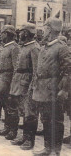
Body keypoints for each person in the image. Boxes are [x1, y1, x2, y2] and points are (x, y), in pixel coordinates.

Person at [32, 17, 71, 156]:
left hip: (54, 89)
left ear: (53, 30)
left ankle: (56, 150)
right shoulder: (44, 47)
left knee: (57, 121)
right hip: (42, 89)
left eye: (46, 28)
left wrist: (64, 89)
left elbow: (67, 72)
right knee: (46, 119)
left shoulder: (62, 47)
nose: (44, 31)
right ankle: (47, 148)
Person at [9, 23, 40, 150]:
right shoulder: (24, 47)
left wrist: (32, 87)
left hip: (28, 84)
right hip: (20, 82)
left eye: (21, 31)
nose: (19, 34)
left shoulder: (34, 48)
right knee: (23, 111)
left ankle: (29, 140)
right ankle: (24, 136)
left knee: (30, 113)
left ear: (26, 33)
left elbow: (36, 70)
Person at [0, 25, 20, 140]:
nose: (1, 35)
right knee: (4, 105)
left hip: (8, 80)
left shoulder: (14, 48)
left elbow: (16, 67)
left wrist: (13, 84)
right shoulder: (5, 47)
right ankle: (7, 128)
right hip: (2, 79)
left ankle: (13, 130)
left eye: (2, 33)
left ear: (8, 34)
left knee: (11, 107)